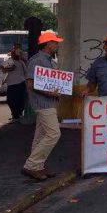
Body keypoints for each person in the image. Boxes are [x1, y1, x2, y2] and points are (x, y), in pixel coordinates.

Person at [22, 31, 65, 181]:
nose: (57, 45)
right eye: (55, 42)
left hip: (48, 103)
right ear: (48, 44)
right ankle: (31, 165)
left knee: (40, 136)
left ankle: (38, 166)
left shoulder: (48, 60)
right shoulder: (37, 60)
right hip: (43, 103)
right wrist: (50, 93)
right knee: (54, 134)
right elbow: (30, 83)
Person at [1, 43, 27, 122]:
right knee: (11, 100)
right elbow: (5, 69)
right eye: (14, 49)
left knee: (17, 100)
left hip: (19, 83)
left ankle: (17, 116)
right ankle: (16, 115)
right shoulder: (10, 61)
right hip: (13, 83)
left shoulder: (21, 60)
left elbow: (12, 68)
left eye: (16, 49)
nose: (14, 50)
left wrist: (21, 56)